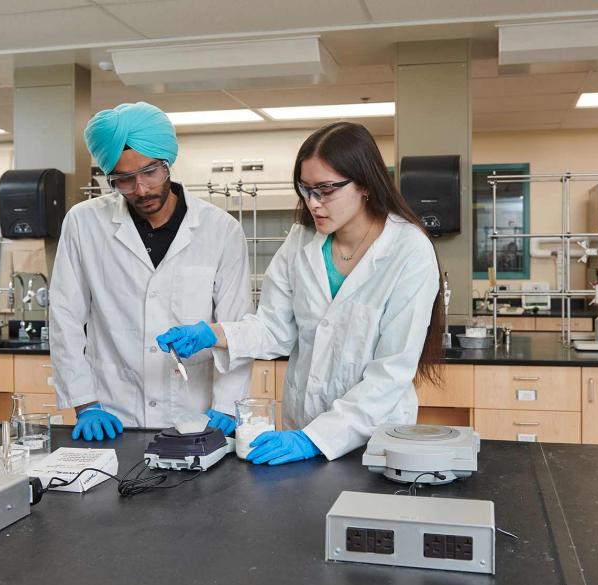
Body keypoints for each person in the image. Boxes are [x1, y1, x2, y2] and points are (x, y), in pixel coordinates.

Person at [157, 121, 444, 465]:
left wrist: (316, 438)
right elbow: (274, 328)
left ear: (366, 184)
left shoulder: (408, 250)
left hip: (373, 441)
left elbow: (391, 371)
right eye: (305, 190)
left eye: (325, 190)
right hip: (300, 427)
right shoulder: (302, 241)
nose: (314, 204)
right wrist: (211, 334)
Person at [50, 101, 252, 441]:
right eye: (124, 180)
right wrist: (85, 402)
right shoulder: (84, 223)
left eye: (150, 172)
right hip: (114, 416)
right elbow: (65, 316)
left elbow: (236, 326)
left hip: (196, 416)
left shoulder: (220, 230)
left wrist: (228, 404)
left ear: (168, 163)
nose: (141, 189)